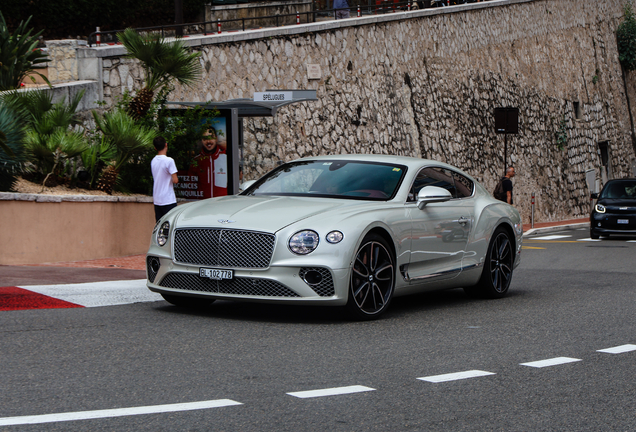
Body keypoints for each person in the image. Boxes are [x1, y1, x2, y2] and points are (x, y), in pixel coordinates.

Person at [188, 126, 228, 199]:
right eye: (205, 138)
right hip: (203, 205)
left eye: (211, 137)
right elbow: (191, 186)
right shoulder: (196, 161)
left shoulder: (226, 158)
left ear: (216, 138)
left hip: (223, 204)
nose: (208, 141)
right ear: (202, 140)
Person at [151, 136, 179, 222]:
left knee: (160, 226)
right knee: (171, 224)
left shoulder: (153, 161)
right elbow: (175, 180)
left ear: (155, 148)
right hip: (168, 199)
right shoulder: (169, 161)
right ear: (166, 145)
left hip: (157, 199)